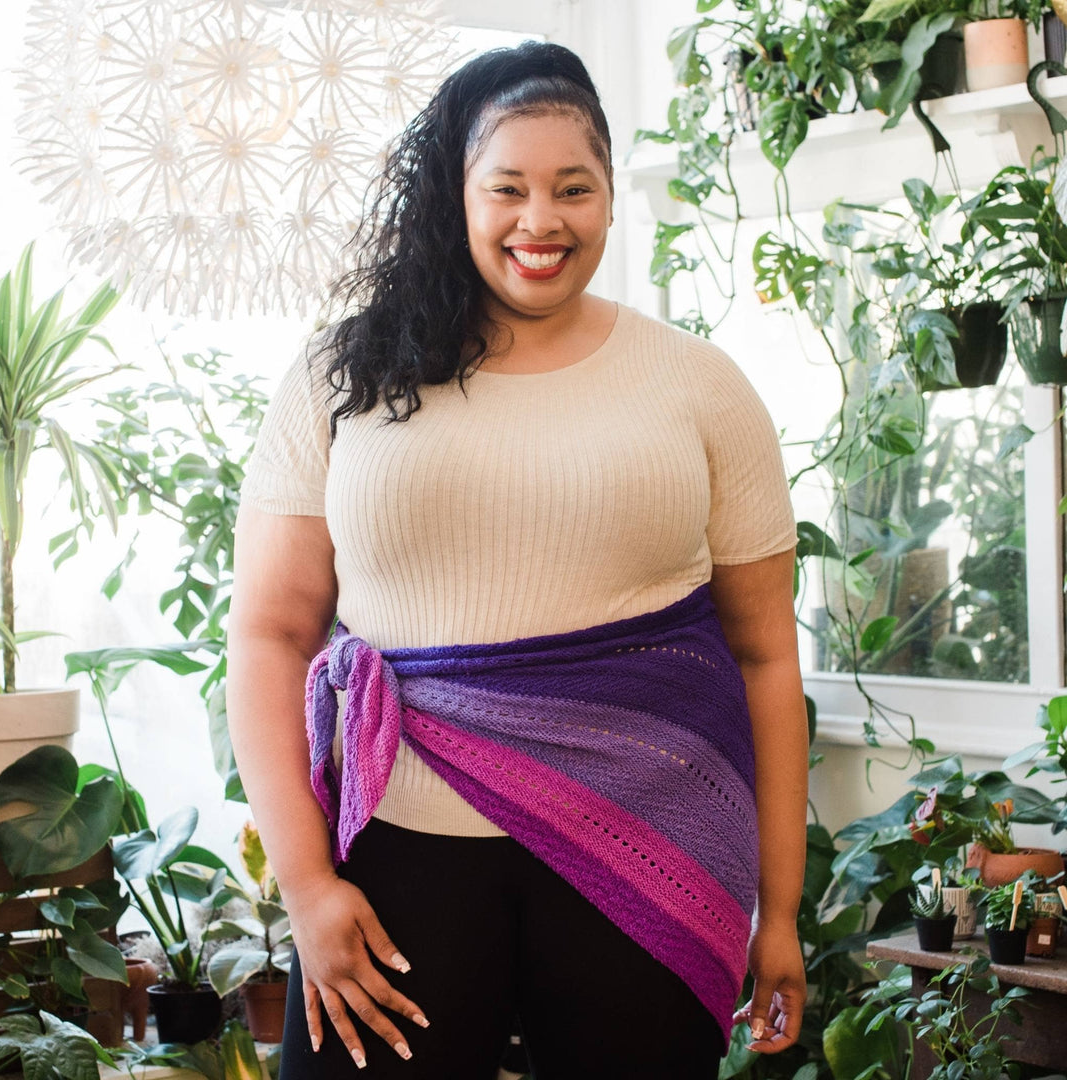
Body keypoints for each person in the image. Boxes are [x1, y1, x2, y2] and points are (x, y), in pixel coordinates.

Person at [227, 40, 808, 1080]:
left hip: (651, 850)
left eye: (572, 189)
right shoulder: (342, 375)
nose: (541, 221)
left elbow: (766, 659)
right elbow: (272, 634)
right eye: (507, 188)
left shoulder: (701, 387)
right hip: (395, 850)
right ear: (456, 197)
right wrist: (307, 888)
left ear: (612, 199)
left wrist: (781, 915)